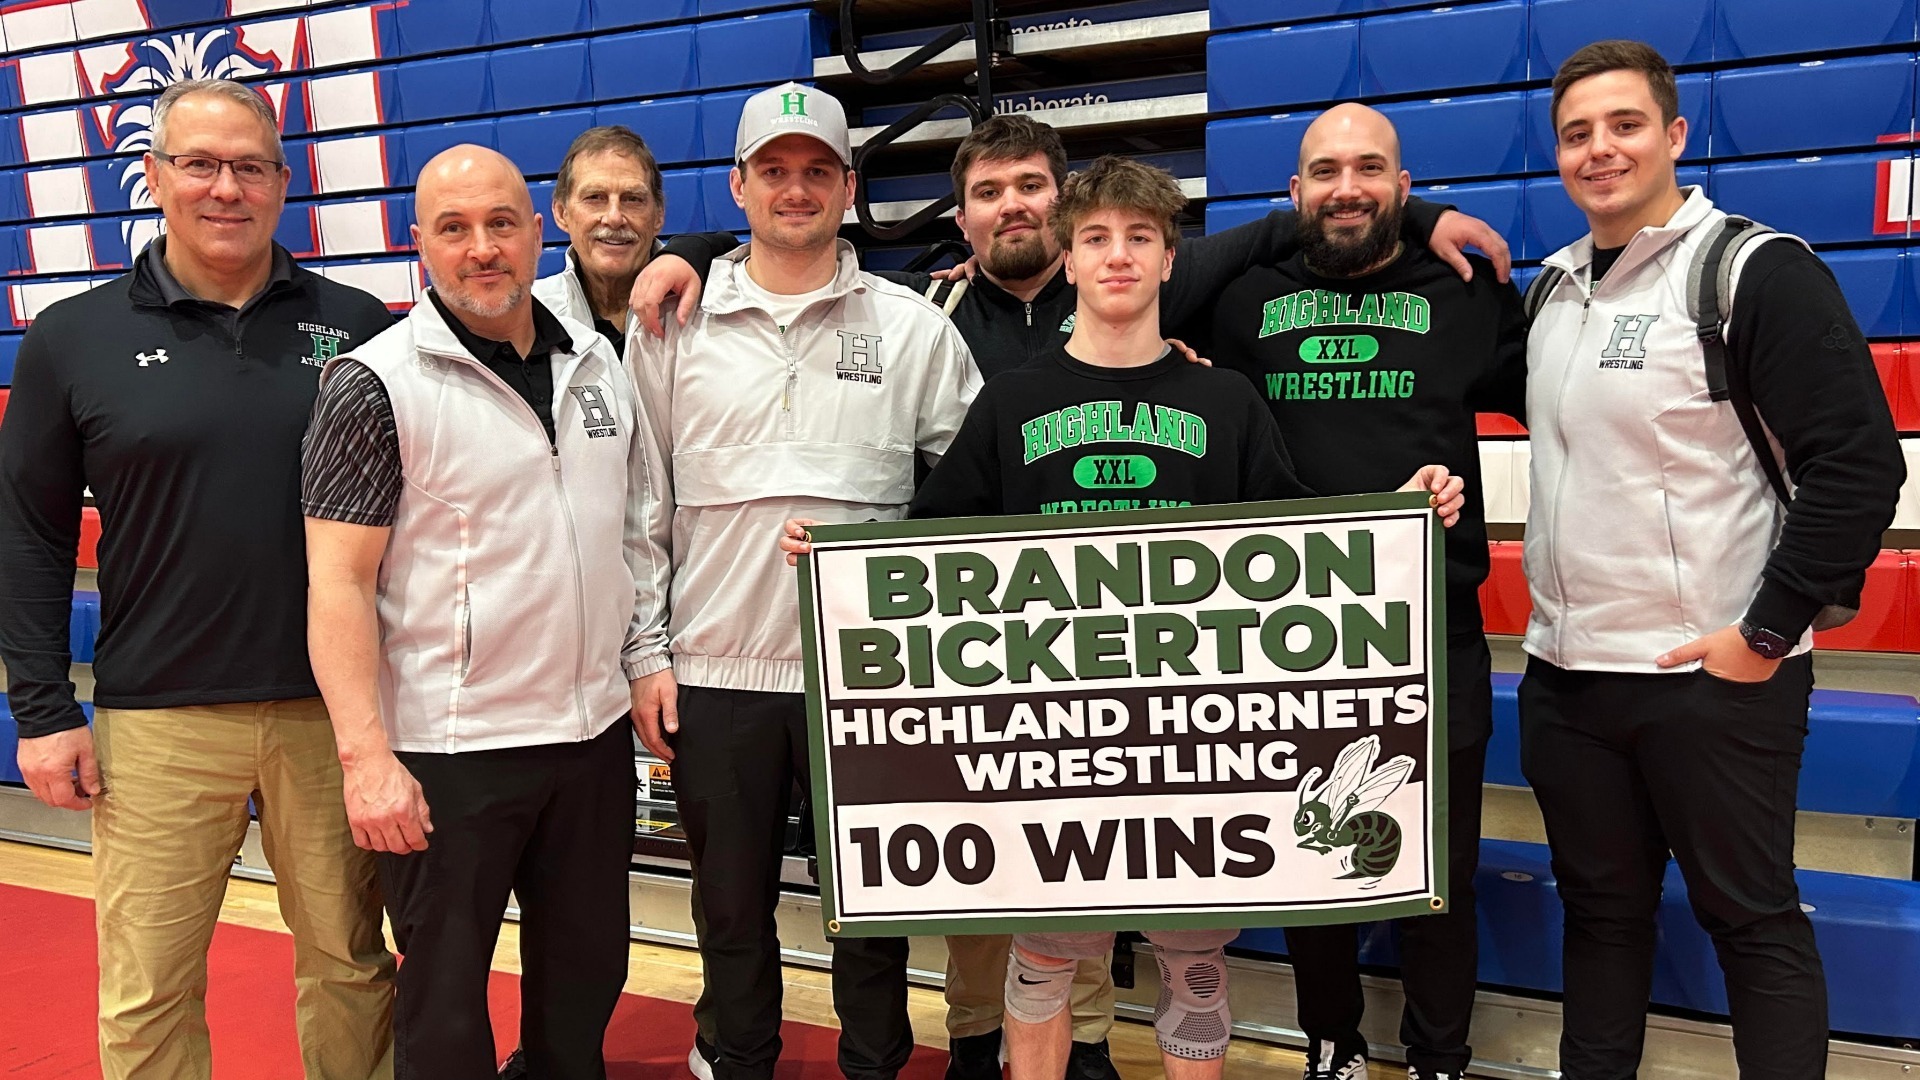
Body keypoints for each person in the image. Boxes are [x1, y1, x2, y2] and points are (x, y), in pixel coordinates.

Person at [633, 111, 1514, 1080]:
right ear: (1070, 251)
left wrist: (1396, 514)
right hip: (1058, 747)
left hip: (1195, 741)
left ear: (1171, 260)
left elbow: (1303, 537)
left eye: (1140, 239)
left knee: (1196, 968)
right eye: (1096, 239)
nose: (1119, 257)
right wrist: (846, 556)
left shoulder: (1223, 400)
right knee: (1047, 958)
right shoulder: (1007, 401)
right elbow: (931, 539)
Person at [1521, 41, 1906, 1080]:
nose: (1599, 150)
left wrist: (1766, 632)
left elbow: (1862, 468)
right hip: (1568, 680)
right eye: (1576, 133)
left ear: (1676, 134)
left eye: (1624, 125)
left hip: (1711, 677)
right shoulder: (1550, 291)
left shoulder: (1752, 268)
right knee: (1600, 919)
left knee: (1752, 921)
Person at [0, 78, 396, 1080]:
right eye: (200, 164)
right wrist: (42, 710)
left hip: (333, 721)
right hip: (158, 724)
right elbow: (30, 535)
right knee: (147, 990)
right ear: (154, 176)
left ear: (282, 179)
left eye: (250, 166)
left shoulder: (357, 324)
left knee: (353, 968)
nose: (227, 188)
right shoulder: (71, 338)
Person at [624, 81, 979, 1080]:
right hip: (714, 672)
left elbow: (976, 498)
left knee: (875, 908)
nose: (794, 189)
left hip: (867, 677)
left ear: (849, 187)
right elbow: (639, 506)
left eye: (815, 170)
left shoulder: (914, 332)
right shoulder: (671, 328)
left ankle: (874, 1062)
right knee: (728, 905)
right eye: (773, 171)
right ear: (737, 186)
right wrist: (647, 656)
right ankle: (739, 1057)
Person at [301, 144, 671, 1080]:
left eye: (500, 224)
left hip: (588, 736)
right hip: (448, 746)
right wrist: (366, 760)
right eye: (454, 229)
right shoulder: (372, 382)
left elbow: (626, 533)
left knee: (585, 979)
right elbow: (336, 583)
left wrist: (640, 664)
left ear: (536, 229)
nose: (481, 249)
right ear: (418, 241)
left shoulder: (595, 360)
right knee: (446, 1003)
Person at [1199, 102, 1528, 1080]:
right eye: (1325, 172)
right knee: (1316, 865)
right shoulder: (1244, 294)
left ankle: (1439, 1058)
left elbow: (1573, 387)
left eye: (1372, 170)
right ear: (1293, 192)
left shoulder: (1463, 289)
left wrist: (1424, 225)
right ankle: (1331, 1045)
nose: (1348, 187)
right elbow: (1133, 288)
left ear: (1403, 181)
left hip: (1432, 629)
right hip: (1293, 633)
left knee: (1442, 875)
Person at [532, 124, 739, 359]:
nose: (614, 218)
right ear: (561, 213)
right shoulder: (532, 314)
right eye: (594, 198)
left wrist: (698, 249)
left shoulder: (709, 302)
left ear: (659, 215)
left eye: (632, 199)